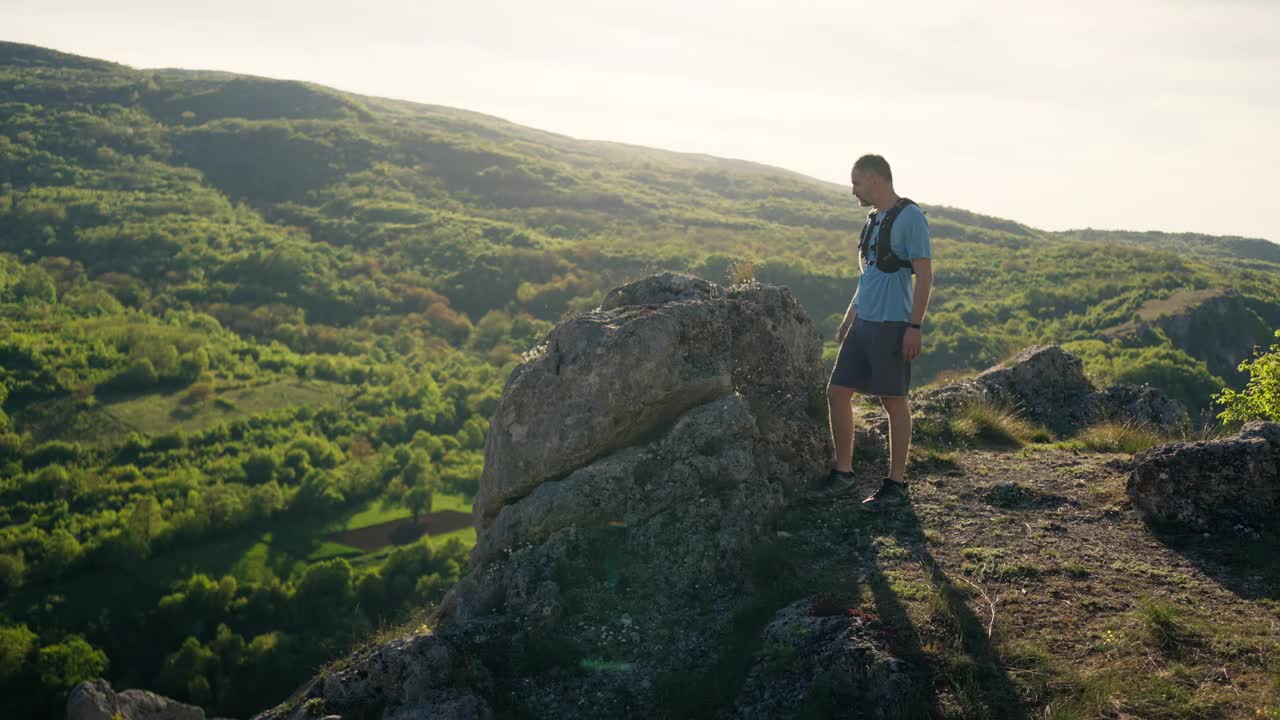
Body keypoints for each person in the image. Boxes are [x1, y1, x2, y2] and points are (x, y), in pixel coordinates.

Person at [820, 154, 933, 509]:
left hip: (893, 324)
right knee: (837, 393)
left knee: (893, 401)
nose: (853, 190)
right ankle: (844, 474)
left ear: (875, 179)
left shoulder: (910, 217)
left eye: (856, 183)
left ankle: (896, 484)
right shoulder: (872, 219)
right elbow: (868, 273)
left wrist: (914, 327)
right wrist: (850, 314)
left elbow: (925, 275)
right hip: (864, 322)